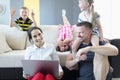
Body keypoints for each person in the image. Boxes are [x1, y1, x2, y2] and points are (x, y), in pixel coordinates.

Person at [72, 0, 108, 79]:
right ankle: (76, 64)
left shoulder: (95, 14)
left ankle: (102, 63)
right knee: (74, 46)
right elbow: (79, 27)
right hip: (83, 34)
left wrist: (101, 38)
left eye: (80, 3)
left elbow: (99, 27)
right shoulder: (81, 15)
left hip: (93, 33)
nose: (78, 5)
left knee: (96, 47)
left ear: (87, 4)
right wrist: (75, 38)